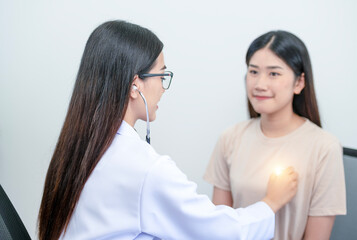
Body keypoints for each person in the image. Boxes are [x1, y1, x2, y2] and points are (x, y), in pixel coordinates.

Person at [38, 21, 298, 240]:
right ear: (134, 85)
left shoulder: (78, 148)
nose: (163, 87)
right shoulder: (145, 169)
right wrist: (271, 201)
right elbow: (223, 232)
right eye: (161, 76)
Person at [204, 30, 346, 240]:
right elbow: (221, 229)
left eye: (274, 73)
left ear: (299, 83)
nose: (260, 84)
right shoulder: (230, 138)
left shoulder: (324, 147)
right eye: (253, 72)